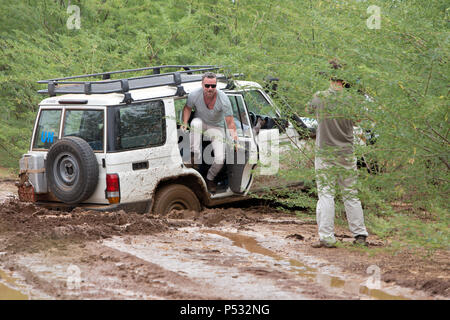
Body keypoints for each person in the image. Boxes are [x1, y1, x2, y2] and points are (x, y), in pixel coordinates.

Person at [307, 60, 369, 248]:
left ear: (329, 76)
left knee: (326, 194)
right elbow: (358, 119)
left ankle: (326, 237)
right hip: (347, 153)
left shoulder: (319, 97)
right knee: (350, 194)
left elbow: (309, 111)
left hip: (325, 153)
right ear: (344, 78)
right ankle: (359, 235)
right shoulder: (351, 100)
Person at [182, 72, 238, 194]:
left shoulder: (223, 99)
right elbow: (187, 108)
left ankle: (210, 179)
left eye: (213, 86)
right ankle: (194, 160)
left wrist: (235, 139)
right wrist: (184, 123)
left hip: (216, 126)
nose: (210, 89)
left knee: (220, 158)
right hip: (200, 122)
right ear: (202, 85)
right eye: (207, 86)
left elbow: (230, 122)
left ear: (216, 86)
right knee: (195, 123)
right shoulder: (194, 95)